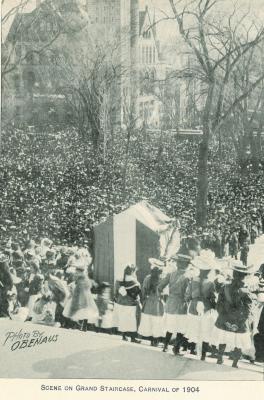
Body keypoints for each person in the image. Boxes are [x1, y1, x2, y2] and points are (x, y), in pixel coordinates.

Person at [212, 261, 254, 368]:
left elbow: (218, 305)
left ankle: (220, 358)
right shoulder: (245, 291)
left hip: (224, 318)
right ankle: (234, 363)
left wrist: (224, 315)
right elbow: (248, 310)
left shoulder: (225, 287)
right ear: (244, 277)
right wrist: (240, 319)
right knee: (238, 342)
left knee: (223, 338)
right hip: (238, 321)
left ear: (234, 275)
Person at [63, 260, 99, 330]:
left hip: (81, 294)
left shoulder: (81, 277)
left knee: (80, 309)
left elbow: (79, 285)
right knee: (85, 310)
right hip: (85, 295)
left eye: (77, 271)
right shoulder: (84, 278)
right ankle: (82, 325)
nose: (76, 272)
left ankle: (77, 325)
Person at [112, 265, 141, 343]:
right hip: (130, 304)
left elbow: (115, 292)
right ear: (132, 271)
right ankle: (133, 338)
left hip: (120, 303)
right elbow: (137, 293)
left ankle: (124, 336)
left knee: (123, 319)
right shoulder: (134, 282)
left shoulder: (118, 280)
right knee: (131, 321)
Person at [138, 264, 165, 346]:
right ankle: (155, 341)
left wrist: (145, 299)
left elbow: (143, 291)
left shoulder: (147, 278)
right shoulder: (161, 280)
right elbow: (163, 293)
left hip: (148, 303)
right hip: (157, 304)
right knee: (157, 322)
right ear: (159, 272)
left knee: (148, 321)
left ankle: (151, 340)